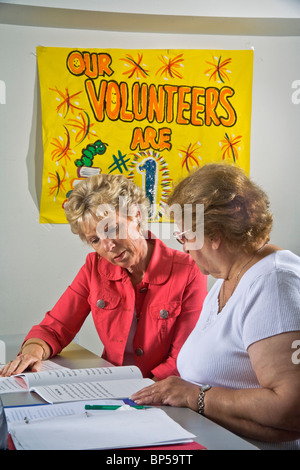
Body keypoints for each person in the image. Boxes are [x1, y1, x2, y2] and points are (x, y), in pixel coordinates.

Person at [131, 163, 300, 450]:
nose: (183, 248)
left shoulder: (274, 284)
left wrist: (195, 396)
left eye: (185, 237)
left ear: (214, 235)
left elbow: (291, 409)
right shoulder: (229, 276)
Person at [0, 174, 207, 381]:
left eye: (112, 229)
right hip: (112, 386)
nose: (108, 246)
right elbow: (55, 328)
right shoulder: (94, 267)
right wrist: (33, 351)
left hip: (164, 391)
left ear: (136, 214)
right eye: (95, 240)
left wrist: (143, 390)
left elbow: (183, 358)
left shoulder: (189, 270)